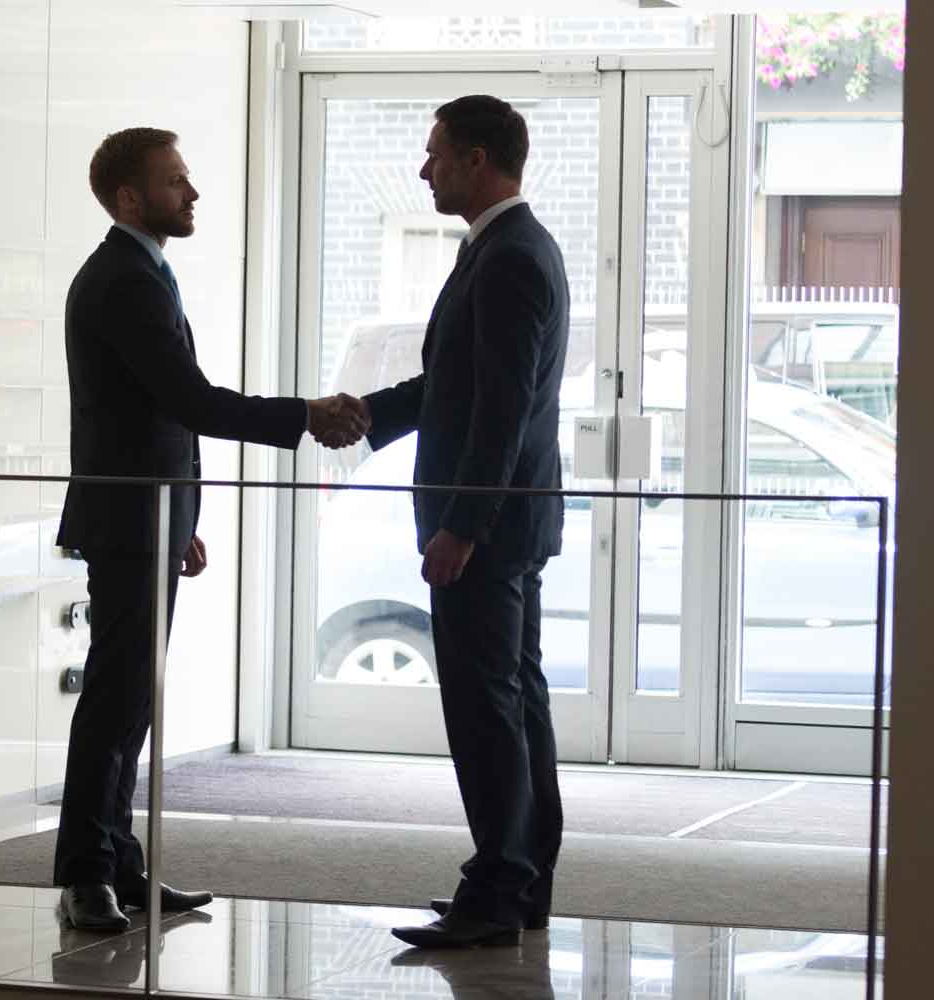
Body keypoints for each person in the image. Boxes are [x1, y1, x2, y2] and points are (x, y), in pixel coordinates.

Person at [52, 127, 367, 932]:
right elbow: (190, 399)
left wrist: (182, 514)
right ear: (130, 198)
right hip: (128, 520)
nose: (192, 194)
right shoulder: (124, 280)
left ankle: (119, 867)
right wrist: (306, 415)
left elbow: (154, 413)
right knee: (116, 701)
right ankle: (88, 875)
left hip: (146, 515)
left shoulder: (144, 271)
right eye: (176, 181)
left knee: (130, 702)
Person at [359, 96, 570, 950]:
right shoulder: (504, 249)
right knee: (515, 707)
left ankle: (498, 892)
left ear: (478, 160)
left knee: (489, 712)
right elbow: (456, 390)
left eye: (435, 153)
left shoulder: (511, 257)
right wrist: (362, 414)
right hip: (507, 525)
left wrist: (464, 526)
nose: (424, 169)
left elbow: (502, 411)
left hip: (488, 530)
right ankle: (517, 882)